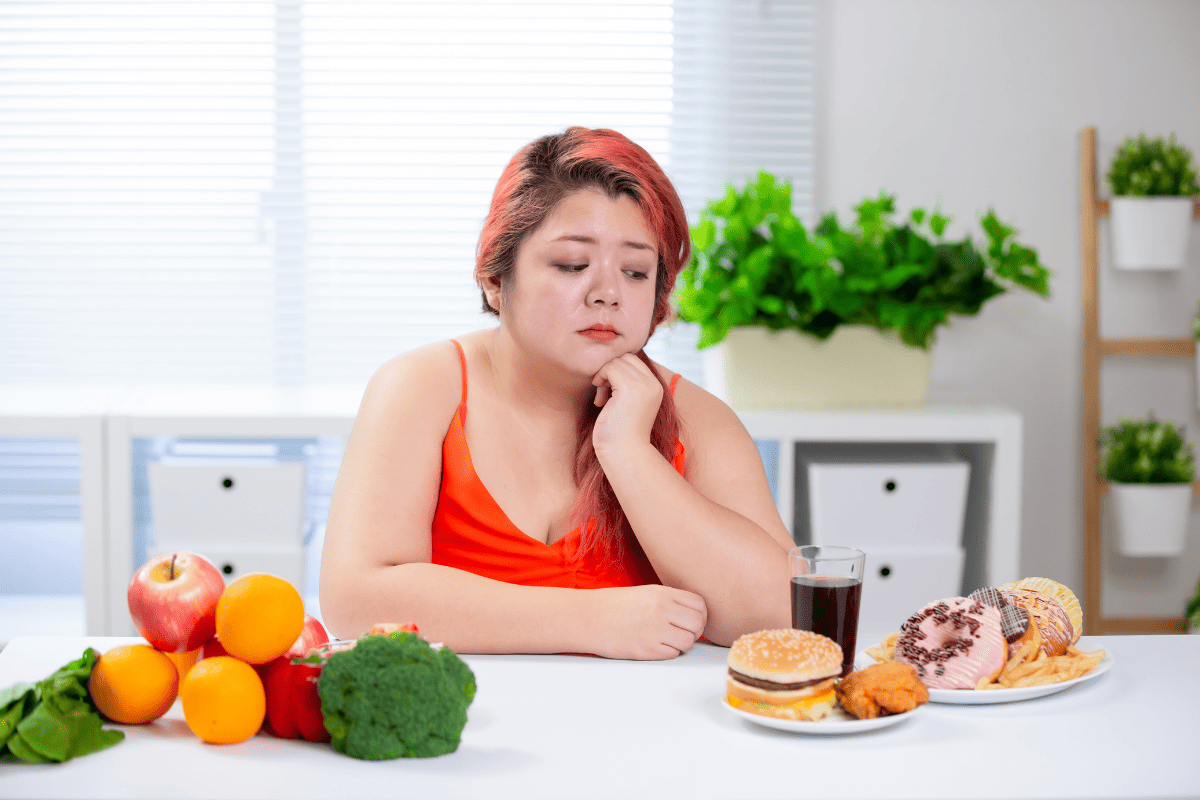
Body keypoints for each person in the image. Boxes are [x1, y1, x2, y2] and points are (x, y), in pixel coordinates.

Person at [320, 127, 793, 660]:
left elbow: (779, 613)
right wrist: (589, 620)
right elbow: (357, 600)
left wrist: (630, 453)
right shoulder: (420, 387)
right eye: (572, 265)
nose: (608, 293)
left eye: (636, 272)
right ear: (495, 280)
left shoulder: (698, 421)